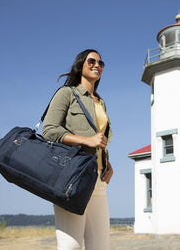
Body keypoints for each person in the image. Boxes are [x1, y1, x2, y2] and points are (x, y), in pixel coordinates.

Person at [42, 49, 113, 250]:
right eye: (92, 60)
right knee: (70, 246)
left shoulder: (101, 102)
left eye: (101, 62)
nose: (97, 65)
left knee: (100, 246)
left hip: (98, 180)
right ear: (80, 64)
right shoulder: (67, 93)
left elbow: (100, 137)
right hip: (72, 178)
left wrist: (108, 163)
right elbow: (49, 131)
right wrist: (86, 140)